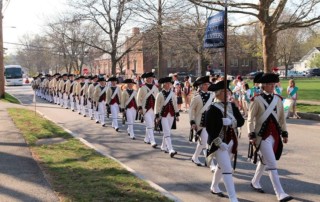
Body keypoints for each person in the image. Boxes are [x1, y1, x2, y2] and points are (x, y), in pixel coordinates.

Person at [247, 73, 293, 202]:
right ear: (264, 86)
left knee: (265, 161)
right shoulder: (256, 100)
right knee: (272, 163)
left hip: (275, 136)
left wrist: (284, 133)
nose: (273, 86)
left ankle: (255, 181)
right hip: (261, 136)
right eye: (271, 84)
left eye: (274, 84)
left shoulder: (278, 99)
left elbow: (282, 118)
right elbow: (250, 120)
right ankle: (280, 193)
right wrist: (251, 135)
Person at [206, 80, 245, 202]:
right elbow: (210, 129)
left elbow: (241, 121)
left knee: (221, 166)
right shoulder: (212, 108)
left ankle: (214, 186)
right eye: (224, 91)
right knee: (227, 169)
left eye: (227, 91)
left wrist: (232, 122)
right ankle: (233, 198)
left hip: (232, 140)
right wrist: (219, 142)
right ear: (217, 93)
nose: (227, 93)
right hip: (219, 143)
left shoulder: (232, 106)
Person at [189, 76, 214, 166]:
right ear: (201, 86)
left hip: (211, 122)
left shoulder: (212, 95)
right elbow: (191, 110)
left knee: (203, 143)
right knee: (206, 143)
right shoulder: (196, 97)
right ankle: (211, 164)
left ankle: (195, 157)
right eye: (206, 84)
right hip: (201, 123)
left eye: (208, 84)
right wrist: (192, 122)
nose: (208, 86)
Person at [155, 76, 180, 158]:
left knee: (167, 131)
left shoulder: (172, 94)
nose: (169, 85)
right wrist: (157, 116)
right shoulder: (160, 94)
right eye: (168, 83)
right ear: (164, 84)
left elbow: (175, 105)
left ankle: (163, 146)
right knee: (167, 131)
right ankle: (171, 149)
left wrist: (177, 114)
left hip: (171, 115)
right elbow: (157, 106)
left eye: (170, 83)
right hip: (163, 115)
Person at [136, 72, 159, 148]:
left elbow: (158, 98)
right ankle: (153, 141)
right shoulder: (142, 87)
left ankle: (146, 138)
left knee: (150, 124)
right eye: (148, 78)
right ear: (145, 79)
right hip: (145, 109)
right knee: (150, 124)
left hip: (153, 108)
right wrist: (139, 108)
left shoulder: (155, 88)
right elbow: (138, 98)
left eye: (151, 78)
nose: (150, 79)